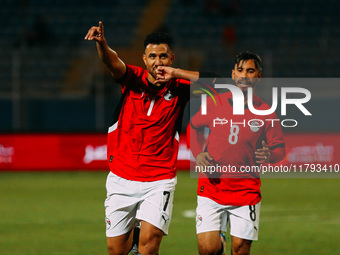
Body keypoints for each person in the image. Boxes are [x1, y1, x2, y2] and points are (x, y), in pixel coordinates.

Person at [155, 51, 286, 255]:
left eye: (250, 71)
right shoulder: (215, 103)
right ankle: (220, 244)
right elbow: (193, 127)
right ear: (233, 74)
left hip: (246, 191)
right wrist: (198, 154)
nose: (244, 76)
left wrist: (270, 155)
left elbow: (279, 148)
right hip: (212, 187)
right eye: (240, 70)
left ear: (258, 77)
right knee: (207, 249)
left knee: (240, 249)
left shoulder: (266, 112)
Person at [84, 22, 198, 255]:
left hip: (159, 179)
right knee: (116, 251)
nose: (158, 61)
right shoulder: (132, 78)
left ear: (172, 59)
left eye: (164, 56)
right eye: (153, 56)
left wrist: (175, 73)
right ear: (144, 59)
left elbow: (219, 83)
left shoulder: (180, 87)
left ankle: (140, 240)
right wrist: (102, 45)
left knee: (149, 245)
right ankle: (133, 238)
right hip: (121, 176)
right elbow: (112, 62)